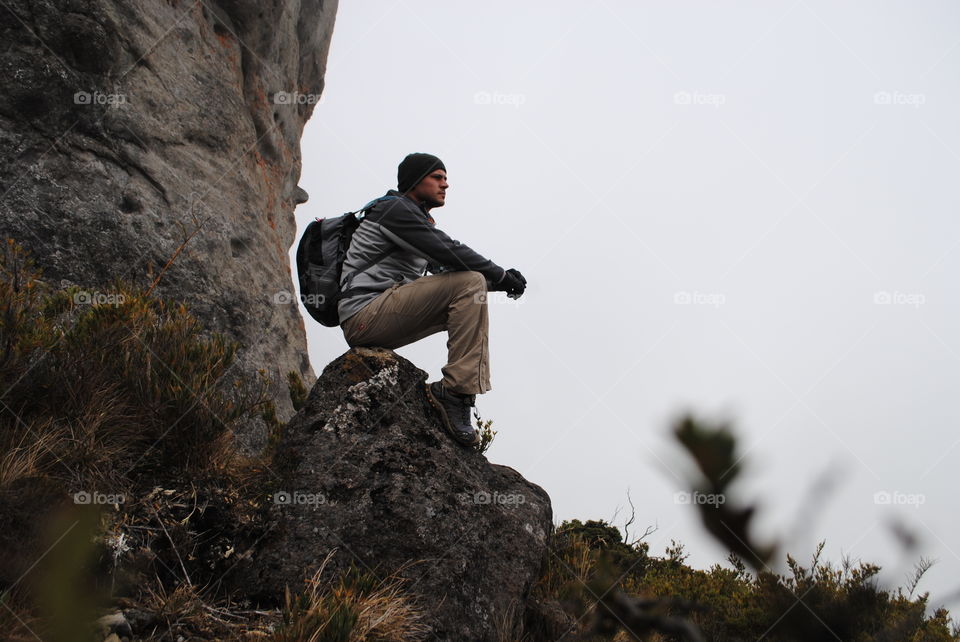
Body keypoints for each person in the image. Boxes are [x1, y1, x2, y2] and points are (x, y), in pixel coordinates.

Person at [338, 153, 526, 446]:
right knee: (470, 284)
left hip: (378, 315)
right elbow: (449, 250)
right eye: (437, 177)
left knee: (471, 290)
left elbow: (450, 273)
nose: (445, 185)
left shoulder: (411, 220)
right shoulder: (395, 210)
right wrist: (500, 274)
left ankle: (460, 395)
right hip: (365, 315)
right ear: (415, 181)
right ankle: (455, 394)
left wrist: (501, 283)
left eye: (446, 178)